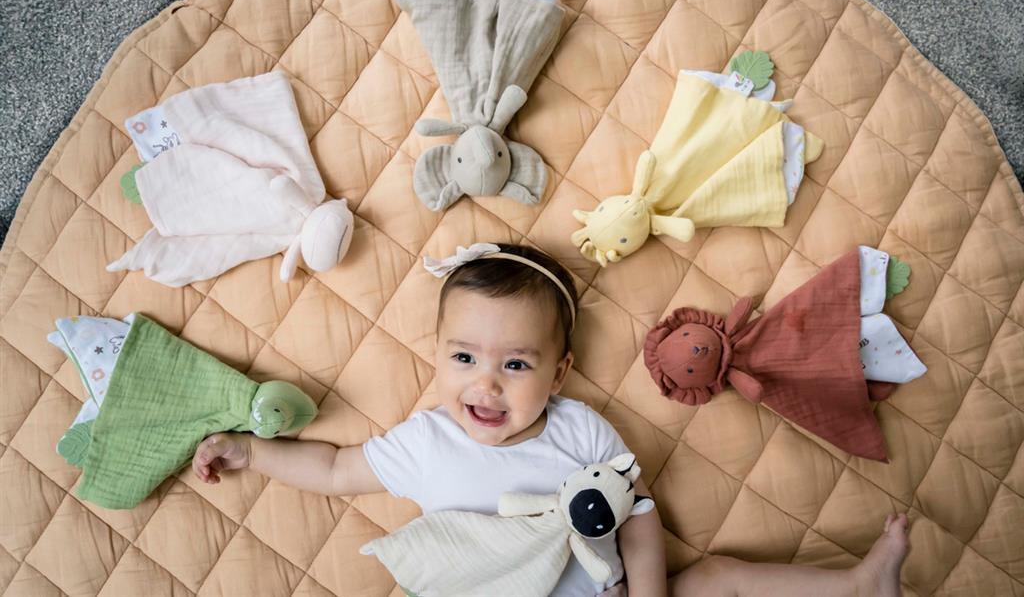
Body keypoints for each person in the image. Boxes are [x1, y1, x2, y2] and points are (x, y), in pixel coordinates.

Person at [193, 243, 908, 596]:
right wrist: (253, 454)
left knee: (718, 577)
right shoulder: (426, 441)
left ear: (558, 373)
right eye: (464, 357)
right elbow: (332, 468)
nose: (486, 384)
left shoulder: (580, 430)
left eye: (515, 364)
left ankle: (853, 587)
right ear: (437, 355)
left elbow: (640, 516)